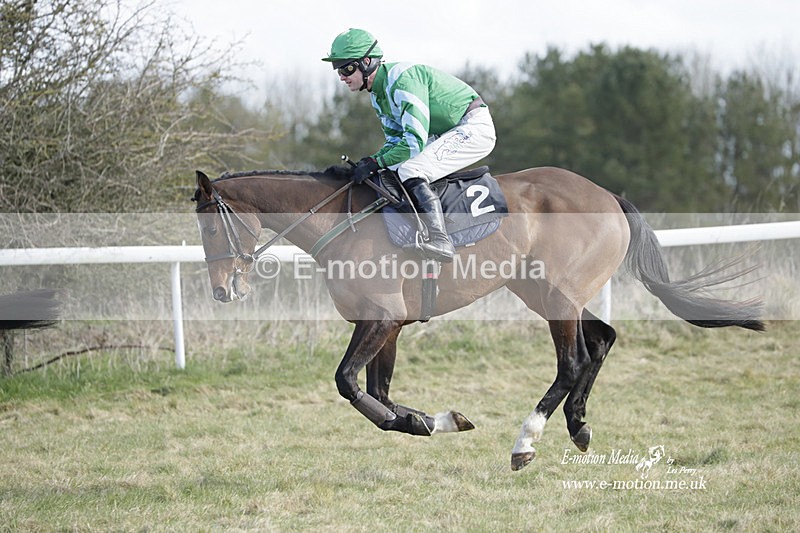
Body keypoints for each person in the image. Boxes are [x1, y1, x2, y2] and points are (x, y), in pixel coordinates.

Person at [322, 28, 496, 263]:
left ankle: (440, 239)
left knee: (411, 169)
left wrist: (377, 162)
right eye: (338, 70)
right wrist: (372, 161)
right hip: (446, 132)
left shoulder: (402, 79)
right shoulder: (377, 94)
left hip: (473, 127)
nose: (342, 76)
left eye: (346, 68)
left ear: (366, 62)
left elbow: (413, 142)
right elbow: (395, 141)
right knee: (391, 170)